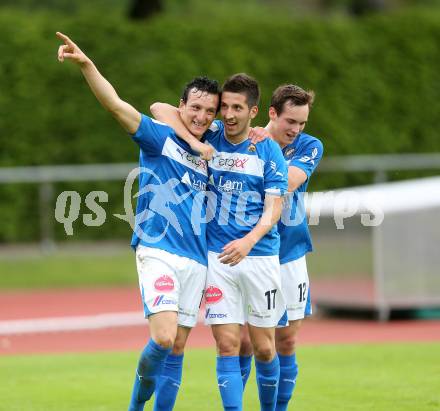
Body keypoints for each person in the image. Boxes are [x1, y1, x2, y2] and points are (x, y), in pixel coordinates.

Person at [55, 32, 221, 411]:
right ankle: (134, 407)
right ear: (183, 106)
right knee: (163, 339)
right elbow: (118, 105)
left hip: (196, 260)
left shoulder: (213, 147)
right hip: (158, 250)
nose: (201, 117)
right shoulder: (159, 138)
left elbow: (240, 131)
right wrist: (87, 65)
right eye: (195, 107)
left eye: (209, 111)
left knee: (177, 348)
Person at [152, 73, 288, 411]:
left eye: (237, 108)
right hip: (217, 258)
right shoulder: (211, 134)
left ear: (253, 111)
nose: (227, 114)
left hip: (260, 257)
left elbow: (274, 208)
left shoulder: (267, 150)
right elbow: (159, 108)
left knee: (265, 349)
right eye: (224, 106)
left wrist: (248, 241)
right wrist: (195, 142)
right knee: (227, 345)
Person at [238, 84, 324, 411]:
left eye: (302, 123)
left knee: (286, 340)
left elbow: (286, 182)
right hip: (255, 252)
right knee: (245, 342)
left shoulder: (309, 145)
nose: (296, 130)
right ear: (272, 113)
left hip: (290, 255)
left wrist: (257, 153)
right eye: (290, 121)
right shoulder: (245, 140)